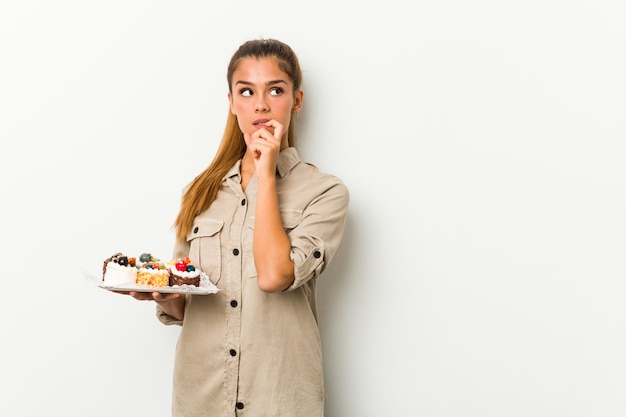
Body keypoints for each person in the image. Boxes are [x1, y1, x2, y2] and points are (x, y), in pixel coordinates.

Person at [127, 38, 349, 417]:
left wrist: (265, 172)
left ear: (296, 100)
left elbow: (275, 276)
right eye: (246, 91)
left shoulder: (325, 192)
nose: (260, 104)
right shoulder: (200, 192)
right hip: (202, 397)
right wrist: (164, 296)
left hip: (278, 397)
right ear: (232, 103)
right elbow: (187, 299)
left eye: (275, 90)